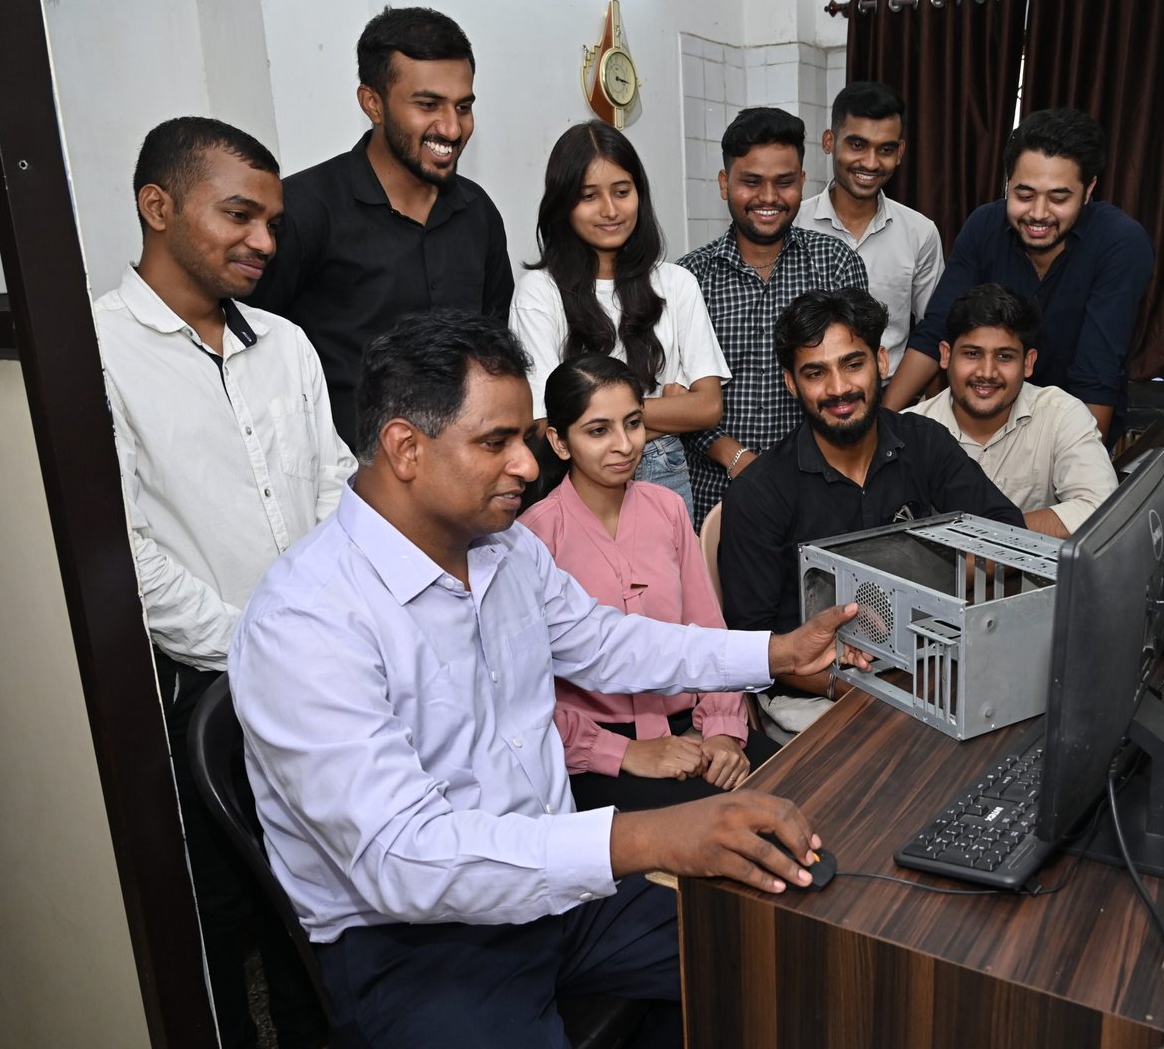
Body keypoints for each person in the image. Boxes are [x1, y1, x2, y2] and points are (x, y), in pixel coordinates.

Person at [228, 308, 867, 1048]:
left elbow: (606, 643)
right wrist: (653, 837)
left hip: (557, 891)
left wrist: (774, 655)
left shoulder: (503, 551)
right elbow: (405, 860)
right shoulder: (304, 622)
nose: (529, 466)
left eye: (523, 440)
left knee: (778, 954)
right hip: (416, 944)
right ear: (405, 448)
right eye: (496, 443)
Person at [94, 116, 354, 1049]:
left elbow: (333, 484)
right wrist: (255, 644)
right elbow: (123, 548)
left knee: (316, 909)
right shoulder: (98, 349)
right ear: (157, 206)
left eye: (272, 223)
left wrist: (325, 631)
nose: (264, 241)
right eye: (239, 215)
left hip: (317, 671)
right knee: (219, 920)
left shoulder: (285, 343)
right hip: (201, 690)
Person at [720, 287, 1025, 737]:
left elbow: (1007, 536)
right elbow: (753, 647)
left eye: (853, 364)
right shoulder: (758, 493)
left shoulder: (923, 442)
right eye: (815, 373)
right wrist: (849, 689)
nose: (838, 389)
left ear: (881, 362)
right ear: (791, 383)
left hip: (927, 659)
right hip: (817, 691)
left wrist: (921, 586)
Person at [518, 355, 781, 811]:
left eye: (633, 423)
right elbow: (528, 698)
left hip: (693, 727)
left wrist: (722, 731)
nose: (624, 445)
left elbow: (706, 626)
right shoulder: (534, 538)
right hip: (596, 754)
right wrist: (624, 753)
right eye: (598, 431)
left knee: (807, 789)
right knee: (729, 832)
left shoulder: (667, 508)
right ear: (560, 442)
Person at [252, 6, 513, 445]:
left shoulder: (479, 213)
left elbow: (494, 354)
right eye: (428, 105)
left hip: (460, 469)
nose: (452, 128)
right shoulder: (303, 209)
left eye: (463, 107)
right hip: (345, 475)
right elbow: (251, 349)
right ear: (373, 103)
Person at [883, 108, 1154, 439]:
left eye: (1058, 198)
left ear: (1088, 190)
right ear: (1008, 183)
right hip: (985, 424)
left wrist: (1081, 459)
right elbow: (936, 329)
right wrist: (883, 426)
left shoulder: (1120, 242)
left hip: (1074, 424)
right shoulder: (984, 226)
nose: (1038, 214)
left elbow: (1097, 373)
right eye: (1024, 195)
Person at [510, 121, 728, 515]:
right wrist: (667, 410)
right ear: (563, 203)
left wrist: (592, 422)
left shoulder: (676, 283)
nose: (610, 210)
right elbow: (544, 425)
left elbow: (708, 407)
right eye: (588, 196)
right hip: (574, 479)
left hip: (664, 470)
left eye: (622, 192)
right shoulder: (539, 292)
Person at [678, 106, 869, 525]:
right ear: (725, 184)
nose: (768, 197)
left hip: (821, 490)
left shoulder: (836, 265)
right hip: (714, 495)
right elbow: (677, 398)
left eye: (784, 182)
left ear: (802, 181)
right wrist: (736, 457)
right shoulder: (689, 278)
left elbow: (856, 380)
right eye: (751, 182)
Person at [907, 283, 1117, 538]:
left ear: (1028, 362)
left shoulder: (1061, 415)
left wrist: (988, 537)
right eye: (972, 354)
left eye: (1004, 356)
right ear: (946, 355)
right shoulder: (908, 433)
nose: (987, 372)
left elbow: (1101, 507)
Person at [796, 81, 944, 376]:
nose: (871, 163)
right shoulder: (794, 224)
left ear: (900, 152)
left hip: (892, 392)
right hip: (806, 393)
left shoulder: (920, 233)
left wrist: (894, 402)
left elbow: (934, 331)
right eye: (857, 145)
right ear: (829, 142)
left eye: (886, 149)